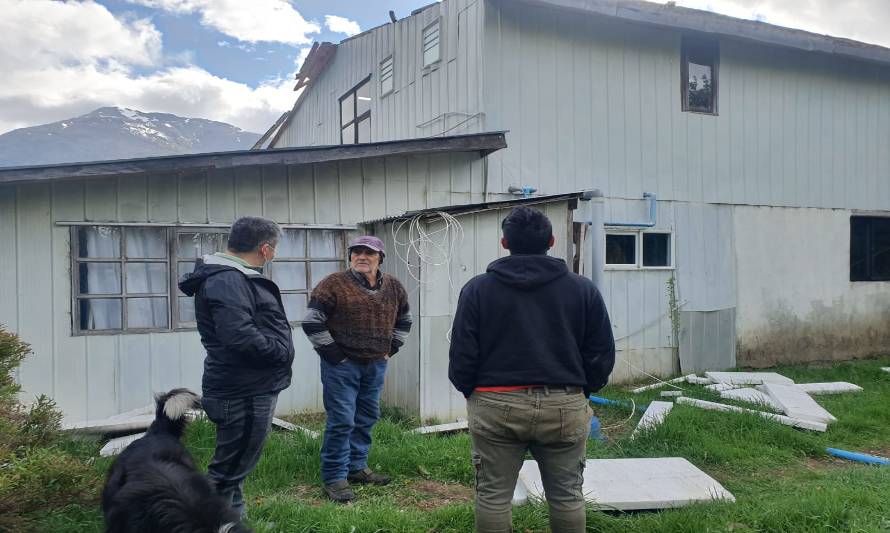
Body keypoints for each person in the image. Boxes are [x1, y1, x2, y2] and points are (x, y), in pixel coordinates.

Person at [448, 206, 615, 533]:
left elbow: (462, 354)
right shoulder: (582, 289)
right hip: (563, 404)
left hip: (495, 403)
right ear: (551, 241)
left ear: (504, 242)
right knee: (567, 495)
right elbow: (601, 353)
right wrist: (583, 390)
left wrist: (472, 391)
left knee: (493, 496)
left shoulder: (478, 289)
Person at [178, 216, 294, 519]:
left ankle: (233, 524)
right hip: (245, 391)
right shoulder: (228, 279)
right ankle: (198, 523)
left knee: (233, 471)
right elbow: (239, 335)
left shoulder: (232, 275)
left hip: (247, 386)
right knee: (226, 474)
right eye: (275, 249)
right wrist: (280, 353)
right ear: (266, 249)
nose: (275, 254)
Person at [302, 235, 413, 503]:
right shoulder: (333, 284)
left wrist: (392, 348)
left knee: (366, 417)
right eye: (357, 252)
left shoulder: (394, 287)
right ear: (350, 256)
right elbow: (311, 321)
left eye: (369, 253)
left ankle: (356, 467)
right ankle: (334, 476)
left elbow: (405, 320)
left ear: (380, 258)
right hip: (341, 366)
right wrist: (336, 356)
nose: (362, 257)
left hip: (375, 364)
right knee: (342, 420)